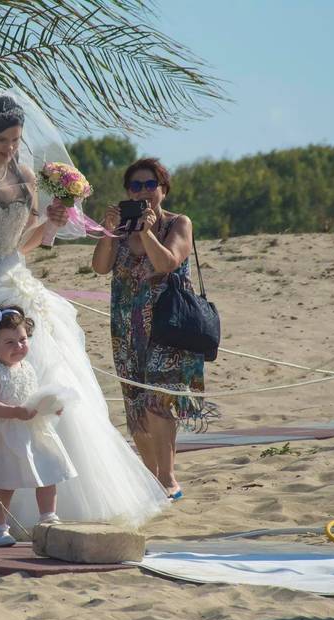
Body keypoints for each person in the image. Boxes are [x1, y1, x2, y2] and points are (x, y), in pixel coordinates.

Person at [0, 88, 172, 539]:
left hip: (16, 282)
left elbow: (22, 242)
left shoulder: (25, 175)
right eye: (3, 141)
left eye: (16, 140)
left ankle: (53, 502)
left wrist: (52, 222)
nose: (11, 148)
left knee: (48, 381)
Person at [91, 158, 210, 501]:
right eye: (135, 187)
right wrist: (110, 232)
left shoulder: (178, 223)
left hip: (166, 324)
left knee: (159, 399)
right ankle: (150, 479)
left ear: (163, 189)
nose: (142, 192)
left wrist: (147, 231)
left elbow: (167, 263)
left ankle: (168, 478)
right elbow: (99, 268)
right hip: (126, 325)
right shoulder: (123, 229)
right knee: (136, 406)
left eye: (149, 185)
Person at [0, 305, 76, 547]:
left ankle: (48, 518)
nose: (19, 347)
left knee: (48, 474)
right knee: (4, 484)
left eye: (22, 340)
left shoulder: (28, 367)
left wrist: (51, 406)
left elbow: (33, 396)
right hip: (5, 434)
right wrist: (14, 412)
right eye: (9, 342)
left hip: (34, 430)